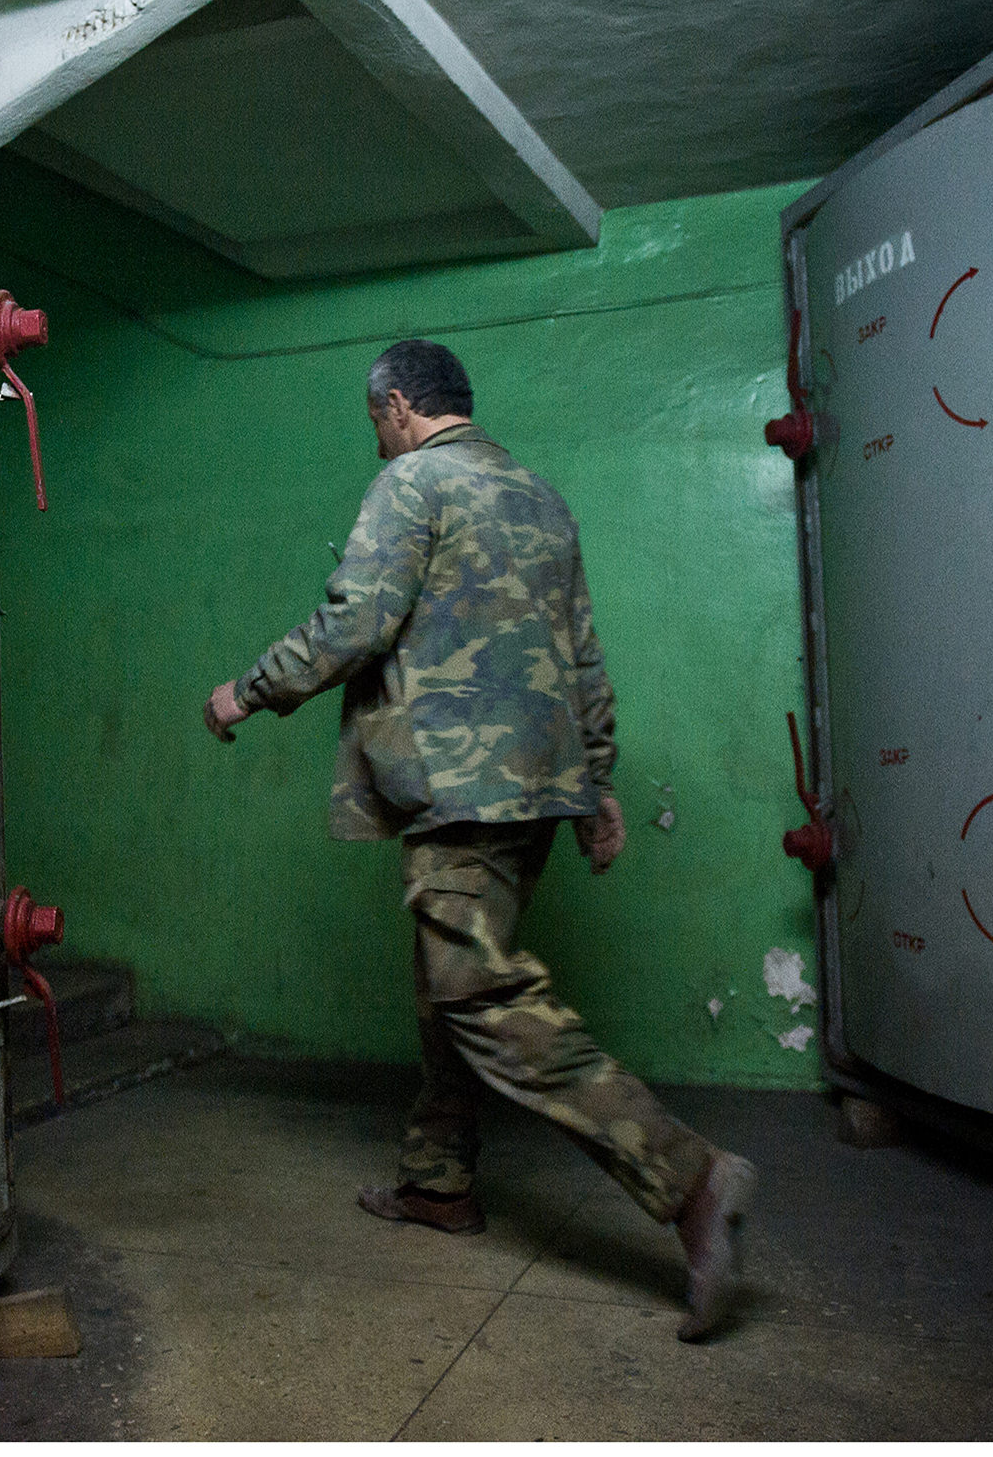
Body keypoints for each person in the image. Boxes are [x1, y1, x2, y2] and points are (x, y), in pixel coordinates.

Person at [201, 339, 758, 1342]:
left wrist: (248, 689)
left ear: (400, 406)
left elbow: (357, 620)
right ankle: (439, 1180)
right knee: (451, 978)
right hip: (538, 783)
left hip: (458, 784)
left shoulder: (411, 483)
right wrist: (595, 783)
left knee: (480, 991)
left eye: (376, 422)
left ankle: (691, 1178)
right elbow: (580, 648)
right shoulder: (541, 496)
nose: (378, 440)